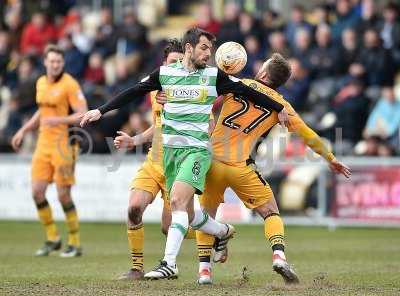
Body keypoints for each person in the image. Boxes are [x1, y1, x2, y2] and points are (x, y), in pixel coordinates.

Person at [80, 27, 290, 279]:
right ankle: (222, 231)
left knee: (178, 202)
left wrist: (280, 107)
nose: (207, 54)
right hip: (170, 152)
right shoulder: (165, 74)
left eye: (210, 50)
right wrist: (101, 111)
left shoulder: (214, 76)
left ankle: (169, 264)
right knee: (188, 215)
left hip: (197, 151)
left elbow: (251, 91)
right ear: (189, 48)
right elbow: (134, 91)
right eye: (203, 48)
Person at [190, 53, 350, 284]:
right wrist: (330, 158)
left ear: (264, 73)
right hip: (241, 167)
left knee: (207, 216)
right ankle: (278, 256)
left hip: (212, 163)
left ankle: (204, 272)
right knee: (271, 212)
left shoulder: (239, 84)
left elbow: (206, 100)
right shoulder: (282, 106)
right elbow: (308, 135)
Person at [114, 39, 196, 280]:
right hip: (154, 161)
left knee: (167, 227)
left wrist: (177, 103)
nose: (177, 66)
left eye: (182, 62)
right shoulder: (154, 90)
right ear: (163, 65)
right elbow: (158, 126)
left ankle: (210, 234)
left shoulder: (191, 91)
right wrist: (135, 140)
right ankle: (137, 269)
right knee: (133, 209)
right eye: (173, 62)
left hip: (177, 165)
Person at [11, 44, 88, 257]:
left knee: (63, 195)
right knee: (37, 192)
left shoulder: (70, 84)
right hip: (43, 143)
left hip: (64, 144)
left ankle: (75, 242)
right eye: (52, 61)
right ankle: (53, 237)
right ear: (45, 62)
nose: (55, 65)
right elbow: (42, 111)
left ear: (62, 63)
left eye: (59, 62)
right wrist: (24, 129)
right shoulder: (41, 82)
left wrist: (59, 120)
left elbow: (83, 113)